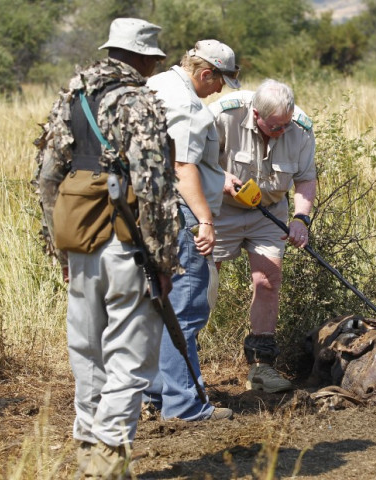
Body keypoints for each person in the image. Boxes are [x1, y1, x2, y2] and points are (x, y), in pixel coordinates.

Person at [35, 18, 178, 478]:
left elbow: (46, 178)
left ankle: (85, 454)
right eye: (152, 60)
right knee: (130, 357)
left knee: (87, 353)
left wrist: (60, 249)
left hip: (79, 242)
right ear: (140, 58)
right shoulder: (138, 102)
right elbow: (155, 189)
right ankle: (108, 462)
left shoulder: (72, 99)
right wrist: (162, 260)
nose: (153, 69)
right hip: (128, 245)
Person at [143, 40, 241, 421]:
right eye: (219, 82)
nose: (219, 90)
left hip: (147, 212)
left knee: (156, 305)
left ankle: (155, 393)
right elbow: (183, 169)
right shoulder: (186, 105)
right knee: (185, 309)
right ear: (205, 73)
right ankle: (185, 405)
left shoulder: (155, 85)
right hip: (180, 216)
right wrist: (206, 220)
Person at [209, 79, 317, 393]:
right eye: (275, 126)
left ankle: (261, 368)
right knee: (204, 282)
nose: (282, 131)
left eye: (286, 125)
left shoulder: (300, 127)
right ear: (256, 114)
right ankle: (185, 364)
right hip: (220, 208)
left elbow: (306, 179)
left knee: (268, 280)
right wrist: (221, 177)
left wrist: (301, 219)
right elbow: (192, 163)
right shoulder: (222, 115)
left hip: (269, 211)